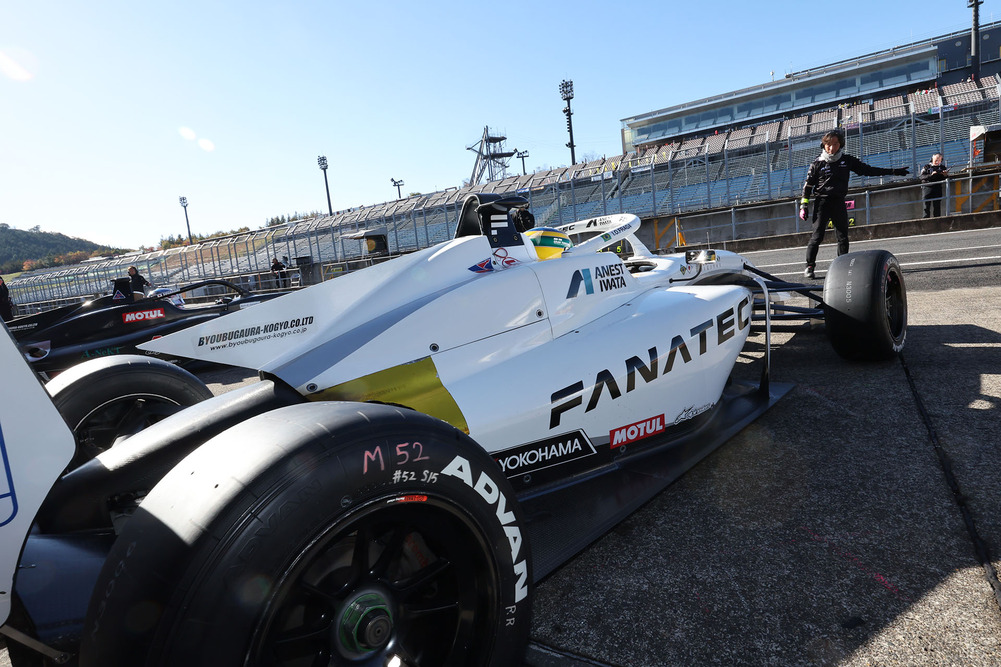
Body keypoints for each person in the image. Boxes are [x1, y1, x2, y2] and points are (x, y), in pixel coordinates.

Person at [799, 129, 909, 279]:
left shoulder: (847, 160)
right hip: (822, 203)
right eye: (828, 145)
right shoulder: (817, 163)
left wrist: (894, 171)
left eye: (835, 144)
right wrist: (803, 206)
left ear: (841, 144)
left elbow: (867, 170)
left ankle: (842, 266)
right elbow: (808, 186)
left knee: (843, 236)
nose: (832, 148)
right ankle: (809, 266)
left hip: (838, 202)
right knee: (817, 236)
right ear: (823, 145)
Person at [919, 153, 949, 218]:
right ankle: (926, 220)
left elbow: (946, 178)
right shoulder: (926, 167)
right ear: (932, 159)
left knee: (937, 206)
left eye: (939, 160)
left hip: (937, 187)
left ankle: (937, 220)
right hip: (927, 187)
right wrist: (931, 175)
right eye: (936, 160)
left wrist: (945, 175)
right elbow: (921, 177)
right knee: (926, 206)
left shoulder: (942, 167)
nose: (937, 162)